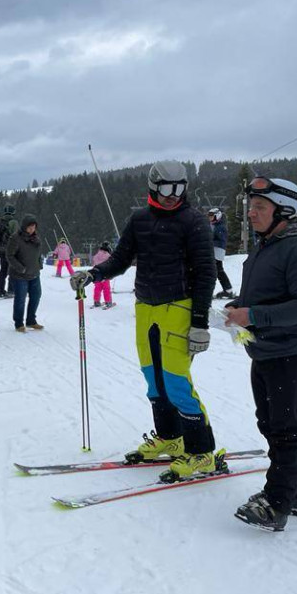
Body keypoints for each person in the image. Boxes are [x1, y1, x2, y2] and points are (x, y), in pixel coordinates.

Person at [70, 160, 217, 482]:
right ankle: (170, 436)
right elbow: (121, 259)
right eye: (166, 188)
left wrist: (200, 322)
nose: (172, 196)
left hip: (179, 307)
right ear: (153, 186)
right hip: (146, 308)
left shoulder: (193, 221)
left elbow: (207, 272)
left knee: (177, 382)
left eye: (179, 188)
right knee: (154, 380)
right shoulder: (139, 219)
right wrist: (93, 274)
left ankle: (201, 452)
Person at [224, 178, 297, 532]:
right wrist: (240, 307)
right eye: (250, 206)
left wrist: (251, 316)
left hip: (294, 351)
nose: (251, 213)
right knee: (269, 423)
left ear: (285, 211)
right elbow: (266, 294)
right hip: (266, 349)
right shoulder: (267, 245)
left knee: (286, 430)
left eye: (260, 208)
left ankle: (277, 503)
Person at [6, 214, 44, 332]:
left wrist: (39, 264)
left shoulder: (36, 238)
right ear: (24, 226)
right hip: (19, 275)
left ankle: (31, 320)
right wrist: (20, 268)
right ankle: (19, 323)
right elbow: (10, 255)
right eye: (30, 227)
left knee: (36, 296)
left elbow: (38, 254)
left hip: (34, 274)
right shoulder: (15, 238)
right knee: (20, 299)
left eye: (34, 227)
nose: (32, 229)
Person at [209, 208, 236, 300]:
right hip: (213, 251)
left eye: (212, 216)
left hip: (217, 251)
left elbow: (221, 240)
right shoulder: (212, 225)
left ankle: (209, 291)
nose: (210, 218)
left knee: (214, 271)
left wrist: (209, 242)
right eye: (209, 217)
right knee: (218, 271)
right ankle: (228, 290)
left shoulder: (220, 227)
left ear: (218, 216)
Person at [0, 205, 18, 298]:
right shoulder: (13, 222)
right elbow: (16, 236)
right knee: (12, 269)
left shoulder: (0, 222)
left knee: (3, 269)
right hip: (10, 249)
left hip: (1, 249)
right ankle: (11, 290)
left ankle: (0, 290)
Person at [90, 241, 114, 309]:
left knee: (97, 288)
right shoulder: (108, 256)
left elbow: (94, 261)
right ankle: (108, 301)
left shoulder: (97, 255)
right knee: (106, 288)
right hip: (105, 275)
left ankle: (96, 301)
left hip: (97, 275)